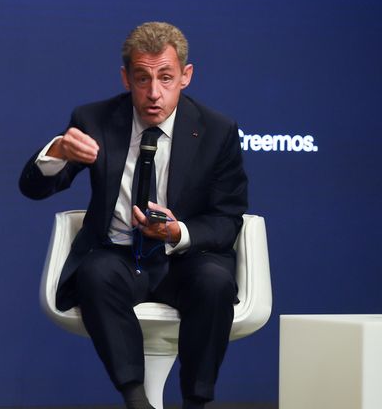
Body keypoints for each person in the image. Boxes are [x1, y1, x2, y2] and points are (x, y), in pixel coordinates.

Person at [19, 22, 248, 409]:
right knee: (95, 273)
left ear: (186, 76)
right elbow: (34, 189)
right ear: (126, 78)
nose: (154, 92)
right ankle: (135, 398)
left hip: (185, 260)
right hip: (120, 256)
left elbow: (227, 219)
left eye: (166, 78)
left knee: (214, 282)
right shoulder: (94, 120)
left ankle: (196, 401)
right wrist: (57, 152)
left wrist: (178, 232)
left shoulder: (217, 131)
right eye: (143, 78)